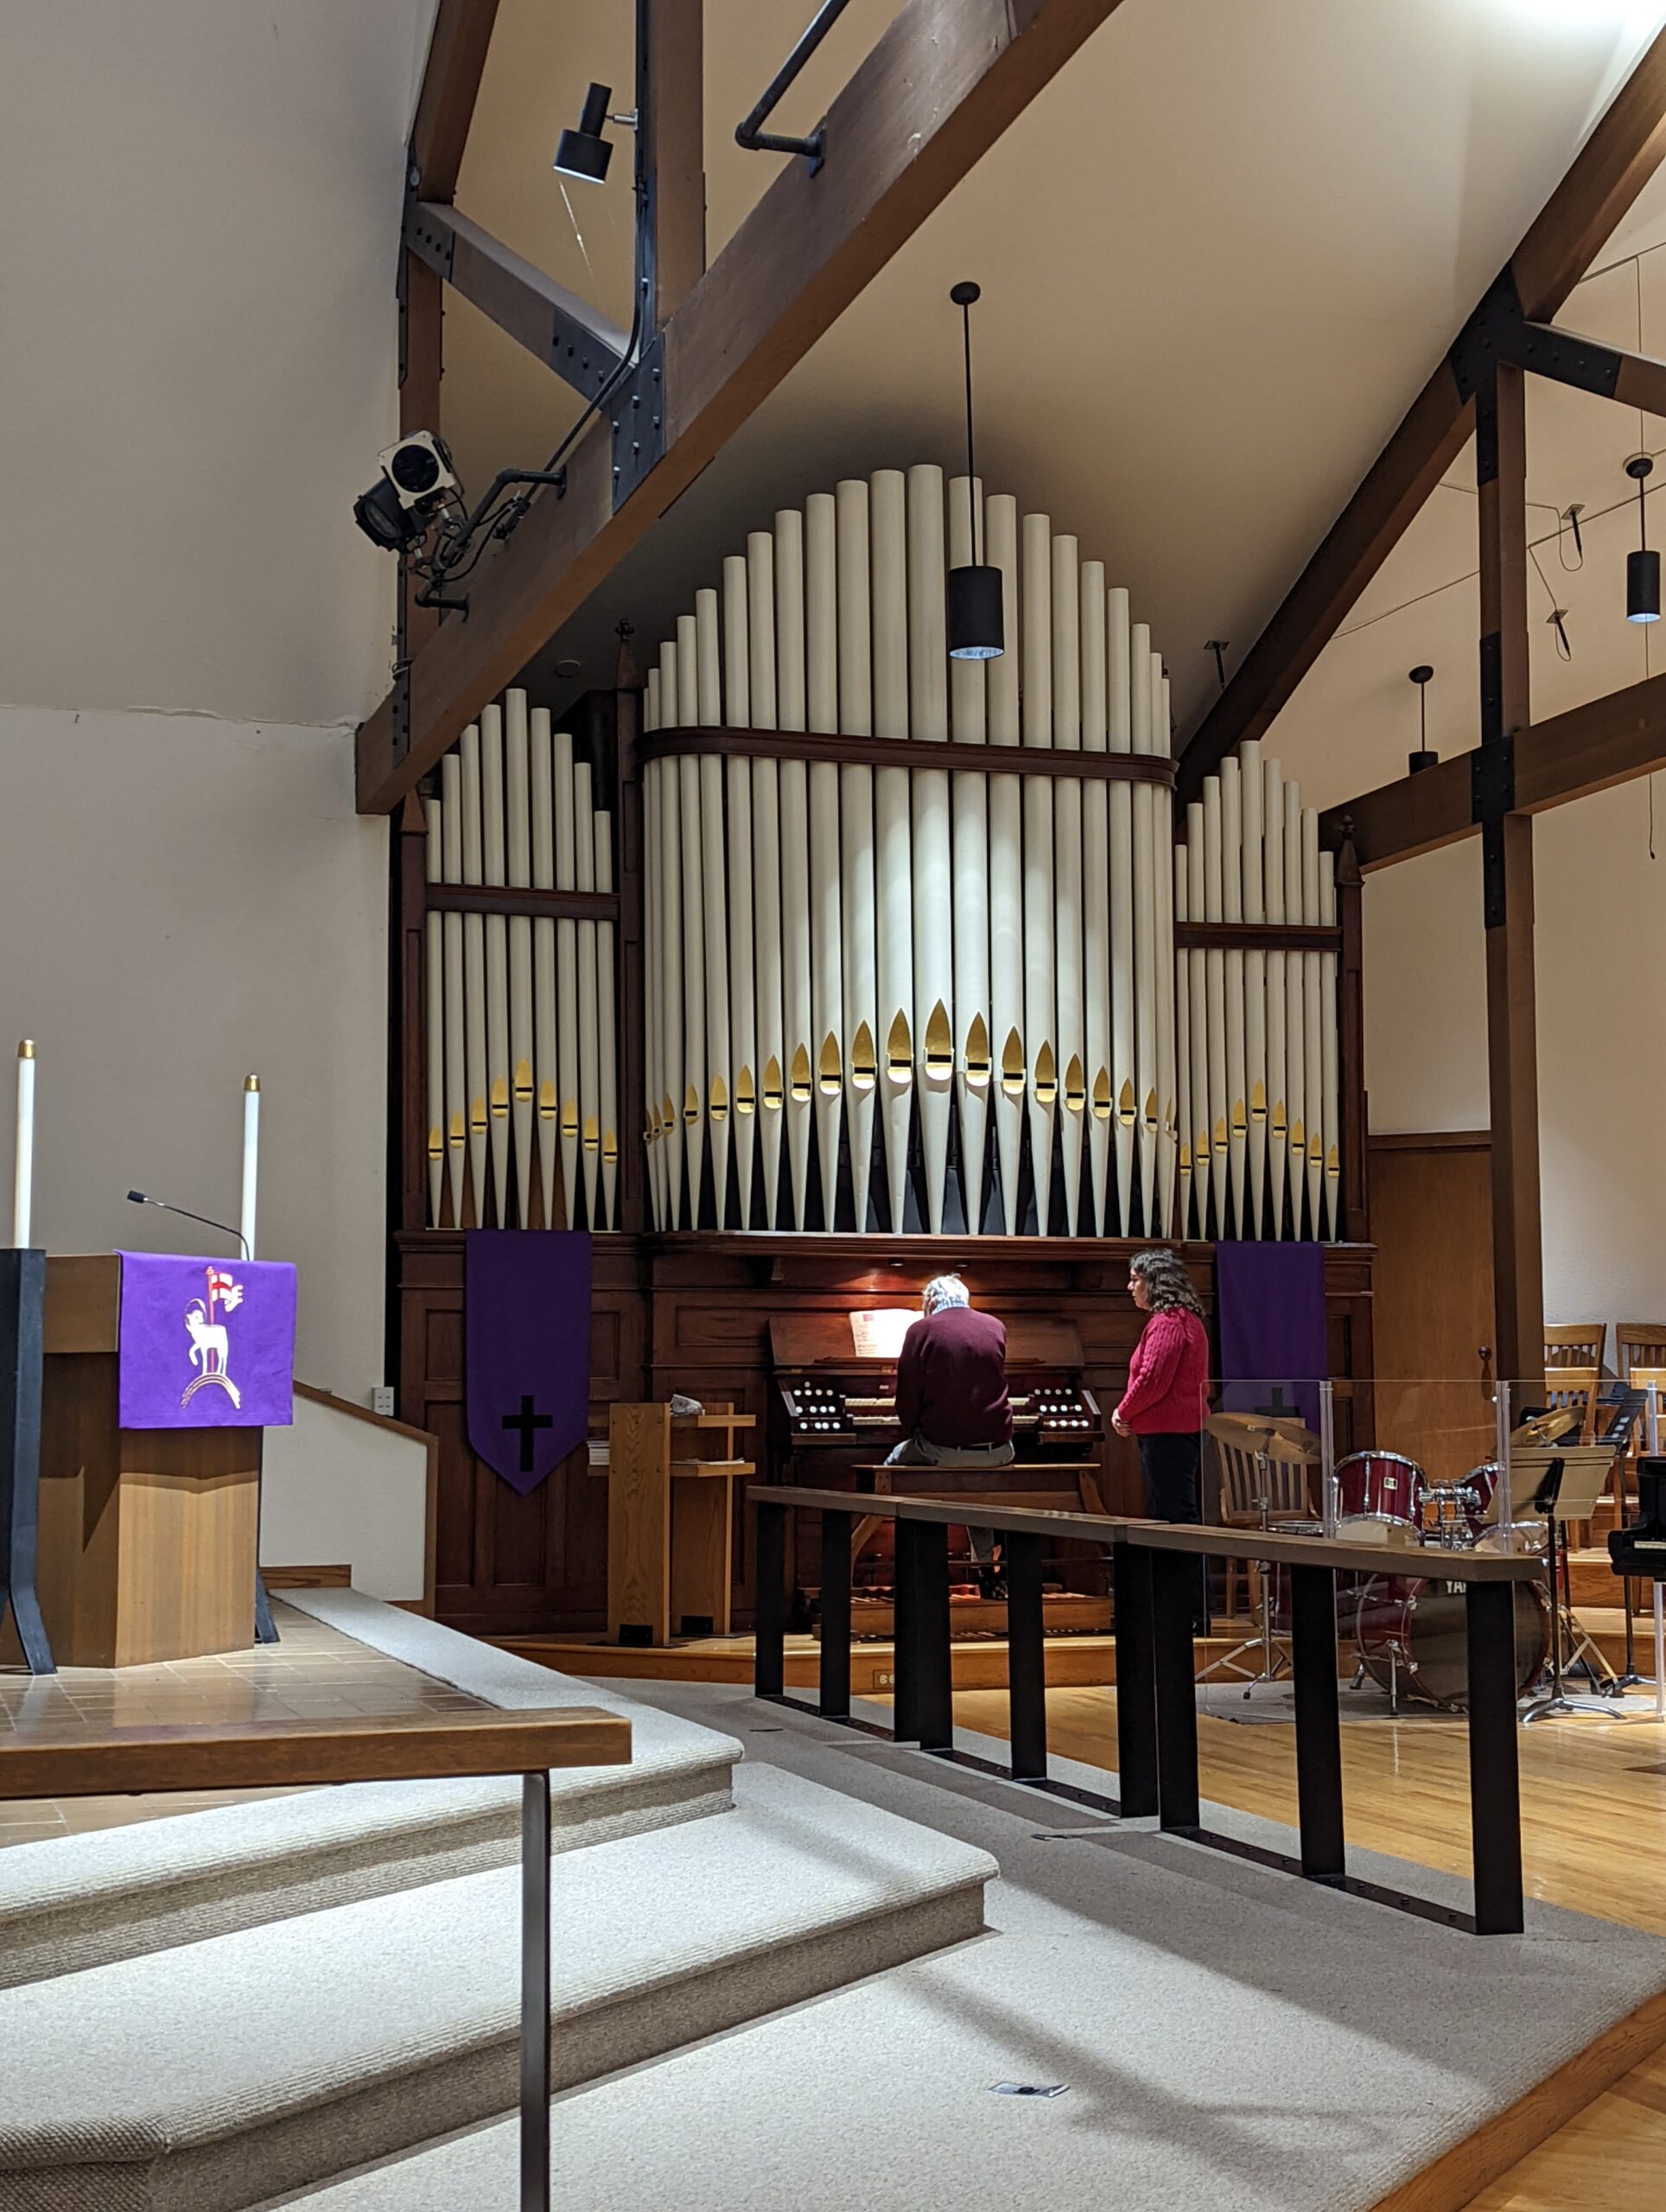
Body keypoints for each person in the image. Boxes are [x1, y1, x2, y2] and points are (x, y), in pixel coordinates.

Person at [1113, 1248, 1211, 1630]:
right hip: (1173, 1432)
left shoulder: (1169, 1322)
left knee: (1174, 1521)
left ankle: (1187, 1613)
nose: (1130, 1286)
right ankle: (1182, 1610)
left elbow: (1153, 1379)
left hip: (1170, 1433)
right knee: (1173, 1518)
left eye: (1135, 1278)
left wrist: (1123, 1411)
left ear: (1156, 1282)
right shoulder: (1182, 1319)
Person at [886, 1275, 1014, 1471]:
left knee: (891, 1462)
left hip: (942, 1451)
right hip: (1000, 1450)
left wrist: (917, 1432)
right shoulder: (996, 1326)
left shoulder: (921, 1329)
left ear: (930, 1301)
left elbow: (907, 1397)